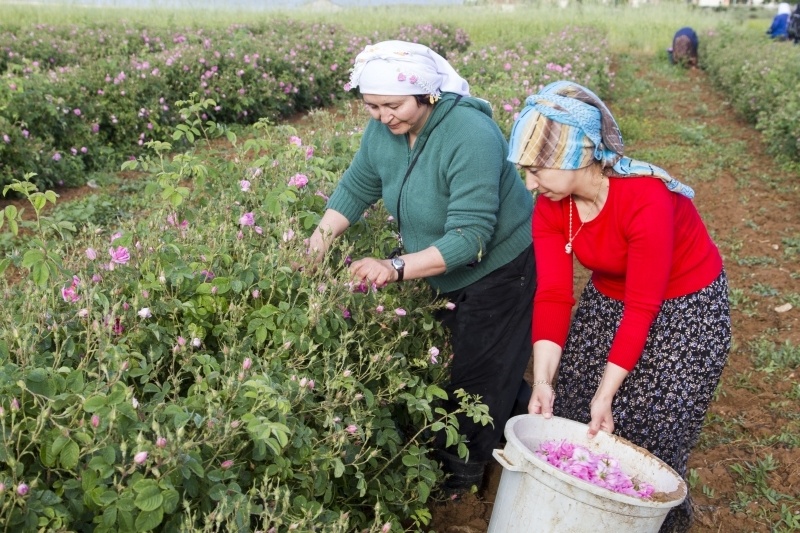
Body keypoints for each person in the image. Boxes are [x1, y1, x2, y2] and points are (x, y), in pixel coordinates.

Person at [307, 40, 535, 496]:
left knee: (476, 375)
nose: (382, 116)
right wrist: (316, 245)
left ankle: (461, 476)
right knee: (480, 362)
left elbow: (471, 239)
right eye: (371, 106)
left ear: (428, 94)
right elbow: (358, 185)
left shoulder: (470, 134)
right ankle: (528, 423)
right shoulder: (382, 132)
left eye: (393, 105)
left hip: (500, 267)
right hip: (435, 264)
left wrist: (393, 266)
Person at [506, 81, 731, 533]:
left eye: (537, 169)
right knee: (569, 410)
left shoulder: (645, 197)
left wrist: (607, 394)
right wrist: (543, 380)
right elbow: (553, 294)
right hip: (610, 297)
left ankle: (646, 521)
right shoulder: (553, 206)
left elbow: (643, 306)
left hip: (685, 307)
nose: (530, 183)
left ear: (578, 154)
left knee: (653, 427)